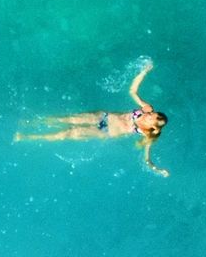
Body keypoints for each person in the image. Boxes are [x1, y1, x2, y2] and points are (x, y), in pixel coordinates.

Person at [14, 56, 170, 175]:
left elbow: (147, 159)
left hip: (104, 132)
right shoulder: (146, 109)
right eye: (153, 114)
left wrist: (158, 170)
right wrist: (143, 72)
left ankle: (28, 137)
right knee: (68, 119)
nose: (150, 116)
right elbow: (133, 91)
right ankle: (31, 123)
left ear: (153, 127)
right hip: (103, 117)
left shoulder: (148, 133)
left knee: (67, 133)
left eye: (152, 119)